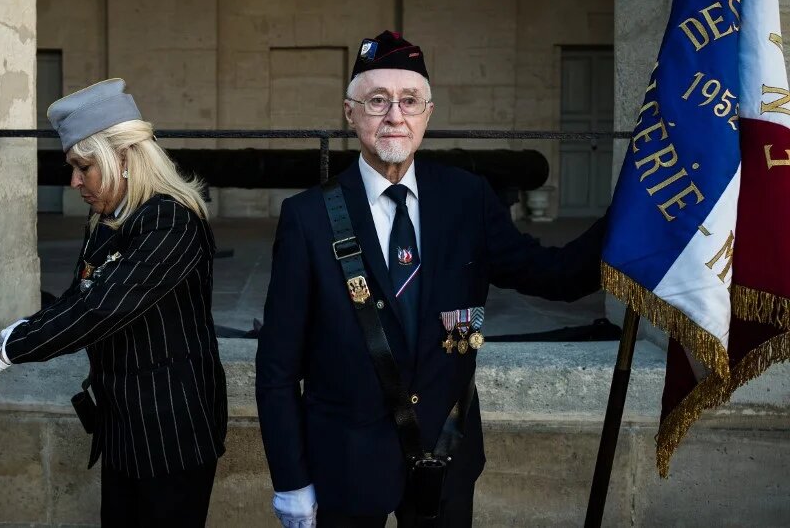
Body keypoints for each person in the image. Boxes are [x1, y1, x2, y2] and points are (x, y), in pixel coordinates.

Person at [255, 31, 605, 527]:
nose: (395, 115)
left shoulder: (467, 200)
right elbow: (277, 370)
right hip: (346, 468)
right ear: (350, 113)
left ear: (428, 113)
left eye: (409, 100)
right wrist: (291, 481)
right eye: (377, 100)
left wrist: (631, 216)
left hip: (447, 458)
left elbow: (559, 277)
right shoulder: (307, 218)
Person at [0, 79, 227, 527]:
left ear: (125, 157)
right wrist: (17, 333)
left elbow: (100, 308)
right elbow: (79, 297)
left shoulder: (170, 220)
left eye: (84, 166)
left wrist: (3, 354)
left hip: (172, 432)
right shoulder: (109, 218)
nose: (74, 181)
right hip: (123, 425)